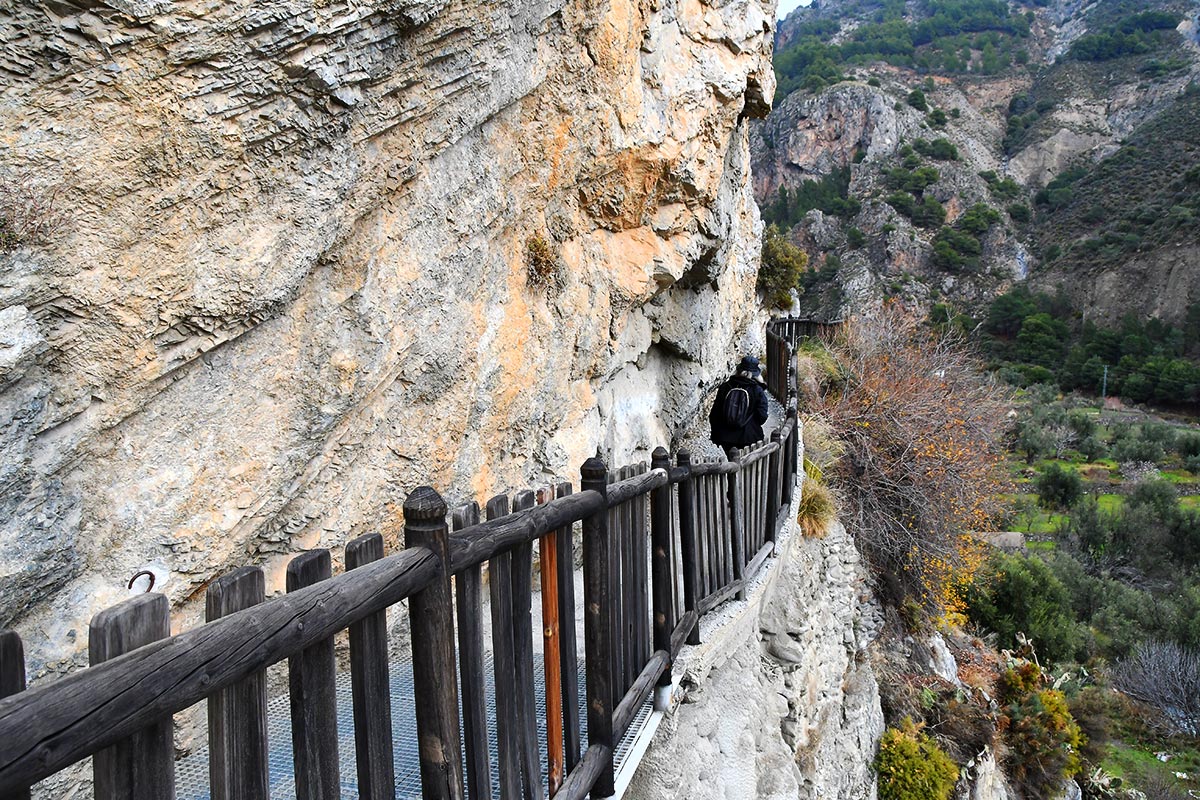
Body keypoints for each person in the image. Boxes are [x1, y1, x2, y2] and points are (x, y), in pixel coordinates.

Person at [709, 355, 769, 457]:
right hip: (749, 437)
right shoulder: (757, 390)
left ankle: (733, 473)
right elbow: (762, 416)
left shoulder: (725, 387)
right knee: (747, 466)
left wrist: (717, 433)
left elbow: (714, 413)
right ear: (755, 374)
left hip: (725, 436)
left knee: (732, 463)